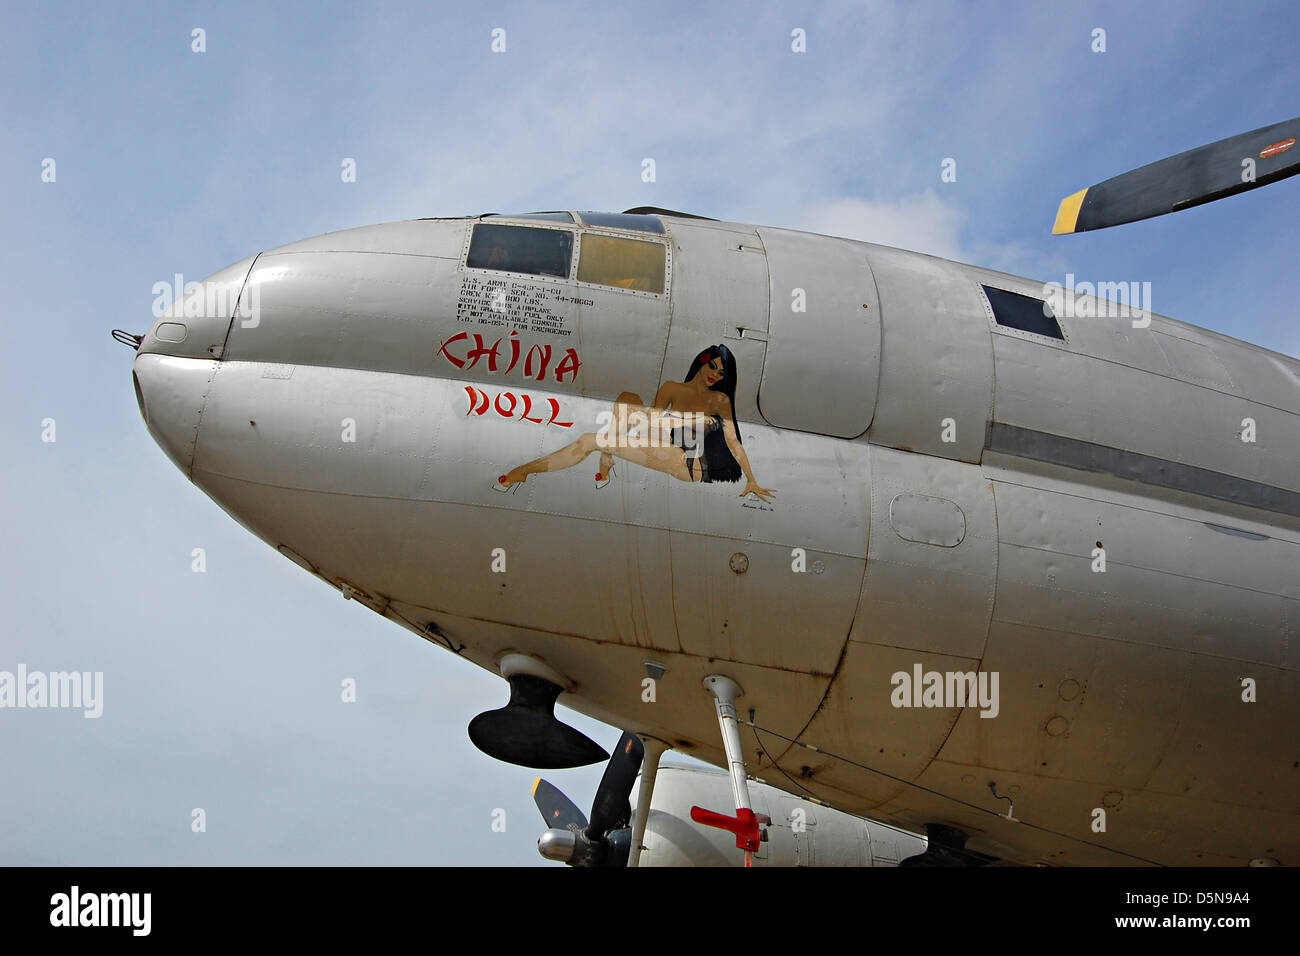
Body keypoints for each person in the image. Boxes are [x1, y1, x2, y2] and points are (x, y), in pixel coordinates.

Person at [495, 344, 775, 502]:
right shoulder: (672, 388)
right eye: (711, 366)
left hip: (687, 461)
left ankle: (523, 472)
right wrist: (685, 419)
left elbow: (733, 443)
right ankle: (606, 465)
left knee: (588, 440)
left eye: (721, 371)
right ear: (701, 363)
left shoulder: (719, 401)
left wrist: (751, 479)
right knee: (628, 398)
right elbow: (654, 421)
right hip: (665, 441)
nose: (715, 374)